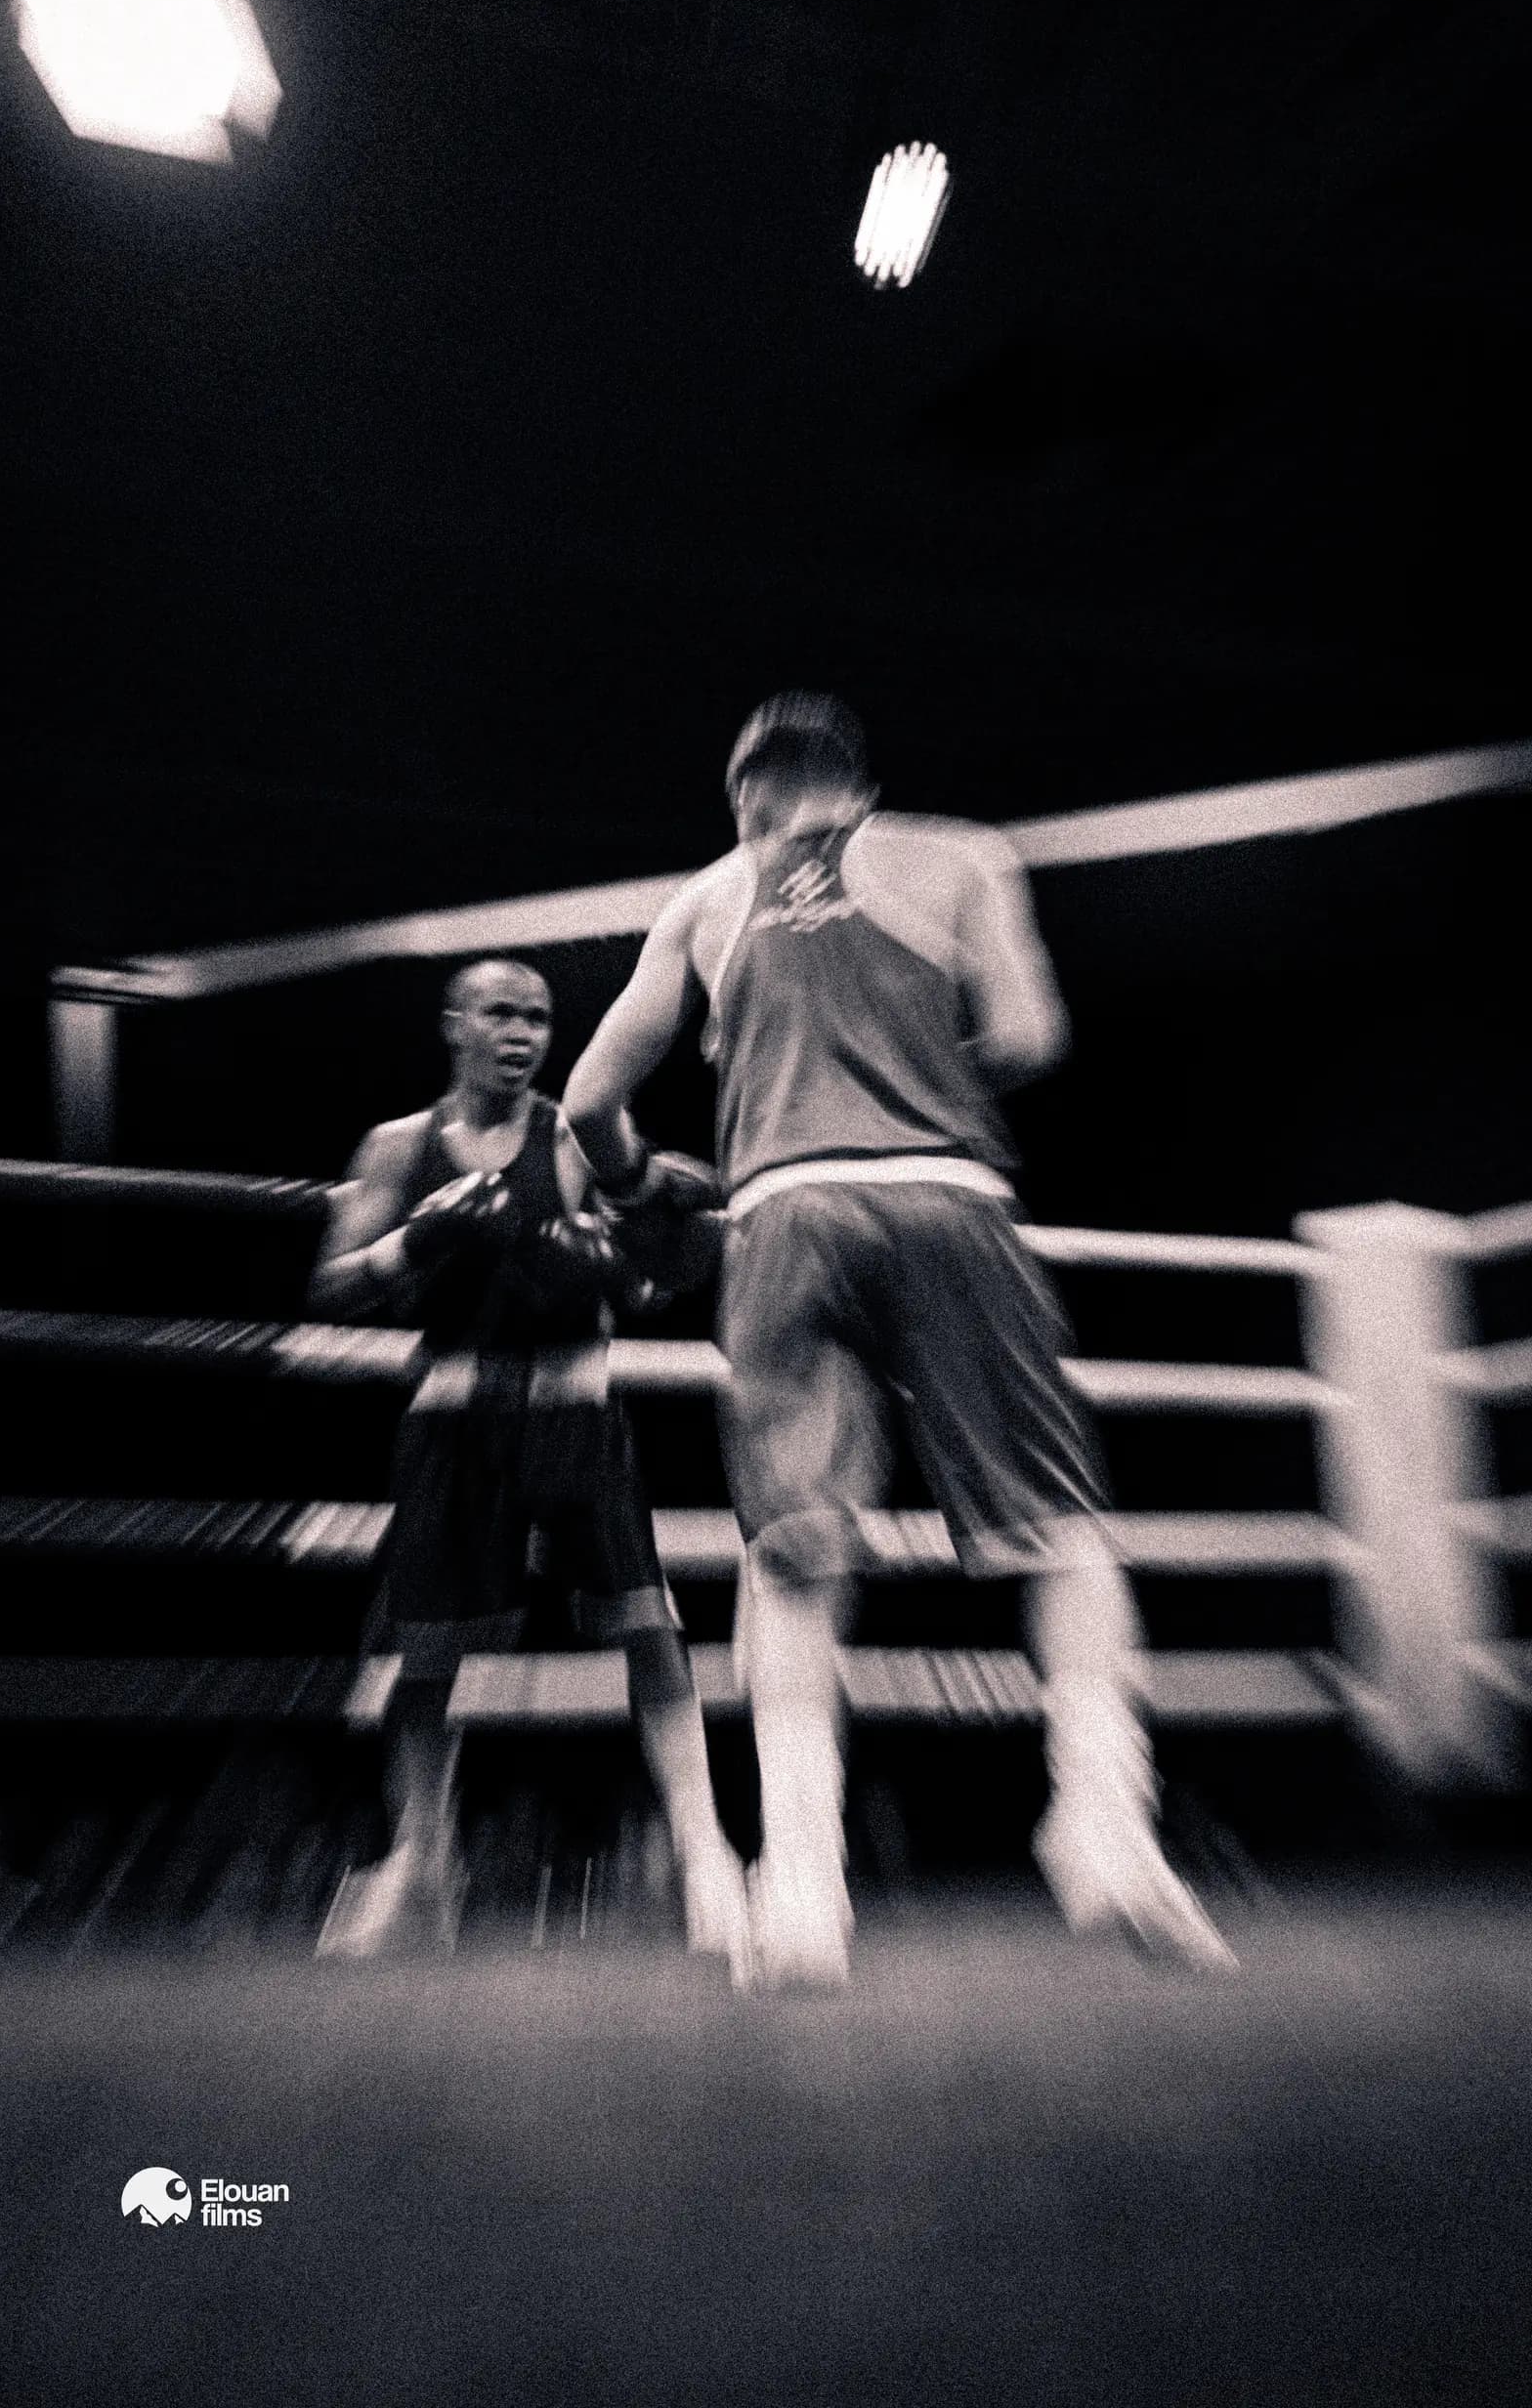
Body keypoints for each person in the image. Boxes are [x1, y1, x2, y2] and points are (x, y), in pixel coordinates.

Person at [563, 692, 1236, 1990]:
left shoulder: (704, 900)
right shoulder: (961, 855)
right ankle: (1102, 1821)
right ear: (857, 782)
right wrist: (915, 1071)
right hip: (949, 1204)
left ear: (744, 797)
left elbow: (592, 1100)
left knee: (794, 1554)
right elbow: (1032, 1039)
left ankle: (805, 1884)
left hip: (777, 1215)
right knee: (1057, 1532)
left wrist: (645, 1185)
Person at [308, 955, 748, 1974]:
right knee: (423, 1654)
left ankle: (702, 1853)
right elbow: (329, 1283)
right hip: (452, 1415)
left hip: (573, 1407)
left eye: (539, 1017)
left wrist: (629, 1259)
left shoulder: (578, 1134)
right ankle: (418, 1860)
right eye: (500, 1012)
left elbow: (668, 1258)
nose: (521, 1032)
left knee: (649, 1629)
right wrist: (407, 1249)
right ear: (454, 1024)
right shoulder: (397, 1147)